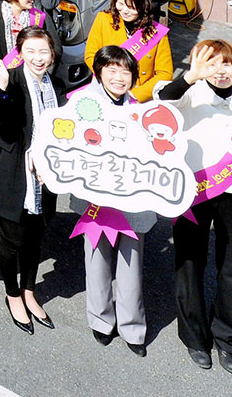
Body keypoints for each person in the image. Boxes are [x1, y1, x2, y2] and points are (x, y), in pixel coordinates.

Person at [158, 39, 232, 374]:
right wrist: (191, 75)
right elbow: (163, 101)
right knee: (189, 264)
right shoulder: (191, 92)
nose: (220, 70)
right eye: (211, 64)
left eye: (226, 63)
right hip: (193, 191)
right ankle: (194, 338)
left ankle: (228, 340)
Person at [0, 27, 64, 334]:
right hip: (14, 173)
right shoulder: (10, 79)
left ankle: (29, 291)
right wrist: (1, 86)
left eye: (43, 52)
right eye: (31, 51)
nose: (38, 58)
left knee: (36, 237)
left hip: (46, 175)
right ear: (20, 53)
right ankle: (12, 294)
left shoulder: (57, 85)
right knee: (12, 240)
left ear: (52, 54)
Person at [76, 45, 156, 356]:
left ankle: (132, 327)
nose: (119, 77)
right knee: (97, 258)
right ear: (99, 72)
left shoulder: (140, 110)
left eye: (125, 71)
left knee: (131, 263)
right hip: (97, 198)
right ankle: (100, 319)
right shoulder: (83, 104)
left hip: (131, 198)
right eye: (111, 70)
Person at [84, 0, 172, 101]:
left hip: (137, 97)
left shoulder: (156, 32)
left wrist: (137, 95)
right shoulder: (103, 19)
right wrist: (108, 82)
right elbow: (90, 55)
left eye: (131, 7)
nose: (125, 11)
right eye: (120, 4)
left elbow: (165, 74)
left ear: (143, 7)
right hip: (106, 89)